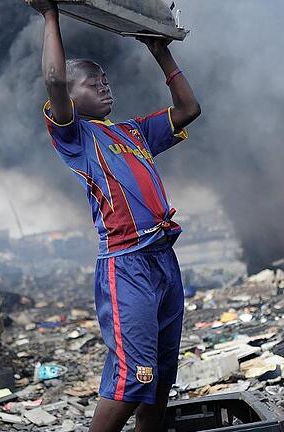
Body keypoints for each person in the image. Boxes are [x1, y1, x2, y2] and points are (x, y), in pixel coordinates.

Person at [28, 1, 201, 430]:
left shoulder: (132, 131)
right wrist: (51, 14)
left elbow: (188, 109)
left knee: (159, 376)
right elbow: (52, 77)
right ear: (69, 95)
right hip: (126, 265)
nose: (105, 87)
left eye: (106, 81)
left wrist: (161, 52)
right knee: (133, 376)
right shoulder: (75, 136)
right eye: (92, 82)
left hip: (162, 259)